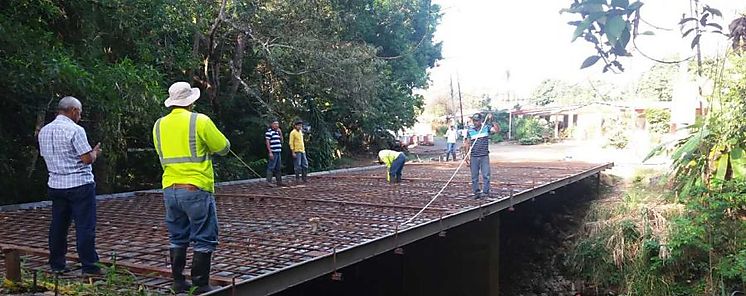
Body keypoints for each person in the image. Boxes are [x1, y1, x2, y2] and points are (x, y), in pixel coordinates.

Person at [152, 81, 230, 293]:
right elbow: (223, 147)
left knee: (177, 236)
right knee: (204, 237)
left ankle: (178, 282)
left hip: (170, 188)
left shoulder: (159, 124)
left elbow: (161, 154)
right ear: (191, 101)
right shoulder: (200, 121)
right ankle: (200, 284)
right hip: (195, 188)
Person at [38, 96, 102, 276]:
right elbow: (86, 159)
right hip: (79, 185)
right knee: (85, 226)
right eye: (79, 113)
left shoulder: (44, 131)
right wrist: (95, 152)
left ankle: (57, 264)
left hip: (55, 184)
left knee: (58, 225)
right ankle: (89, 266)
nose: (80, 117)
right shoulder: (75, 130)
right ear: (73, 111)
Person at [464, 113, 499, 199]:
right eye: (474, 120)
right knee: (474, 176)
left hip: (484, 156)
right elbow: (467, 144)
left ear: (481, 121)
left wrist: (492, 120)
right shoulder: (470, 130)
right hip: (474, 156)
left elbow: (496, 130)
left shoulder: (486, 128)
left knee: (486, 175)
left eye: (477, 120)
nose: (475, 122)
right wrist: (466, 156)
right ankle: (476, 192)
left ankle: (485, 192)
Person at [265, 119, 285, 186]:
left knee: (278, 167)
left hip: (278, 151)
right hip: (273, 152)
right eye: (275, 124)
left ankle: (279, 181)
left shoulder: (277, 133)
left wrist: (280, 133)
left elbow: (282, 141)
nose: (277, 125)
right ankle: (269, 182)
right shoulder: (269, 132)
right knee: (271, 167)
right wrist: (270, 152)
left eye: (277, 124)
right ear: (272, 125)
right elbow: (267, 142)